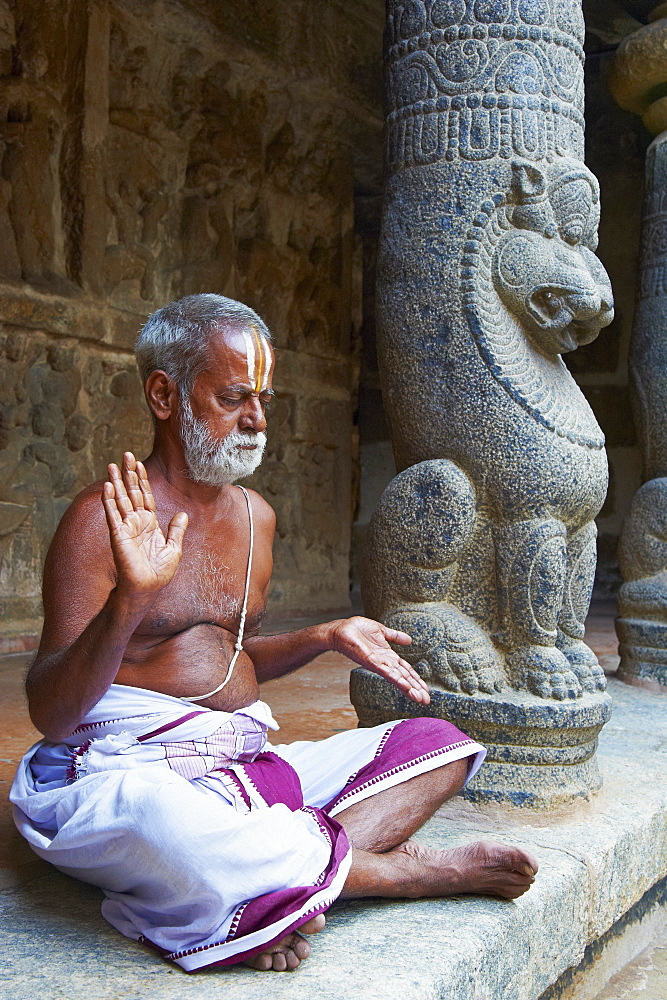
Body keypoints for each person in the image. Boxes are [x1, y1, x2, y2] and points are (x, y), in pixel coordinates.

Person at [11, 294, 538, 973]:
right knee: (155, 819)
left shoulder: (256, 517)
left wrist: (323, 634)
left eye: (263, 398)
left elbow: (222, 657)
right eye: (233, 397)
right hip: (124, 770)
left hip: (242, 770)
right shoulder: (100, 519)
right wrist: (131, 601)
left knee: (439, 747)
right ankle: (389, 874)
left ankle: (277, 884)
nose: (257, 421)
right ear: (164, 395)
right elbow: (52, 713)